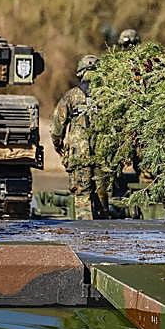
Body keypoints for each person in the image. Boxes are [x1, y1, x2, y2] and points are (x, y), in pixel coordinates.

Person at [51, 55, 110, 220]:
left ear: (81, 73)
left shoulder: (71, 96)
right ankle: (104, 234)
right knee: (103, 195)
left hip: (79, 154)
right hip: (103, 153)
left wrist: (58, 144)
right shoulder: (108, 96)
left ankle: (85, 234)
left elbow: (57, 126)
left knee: (82, 194)